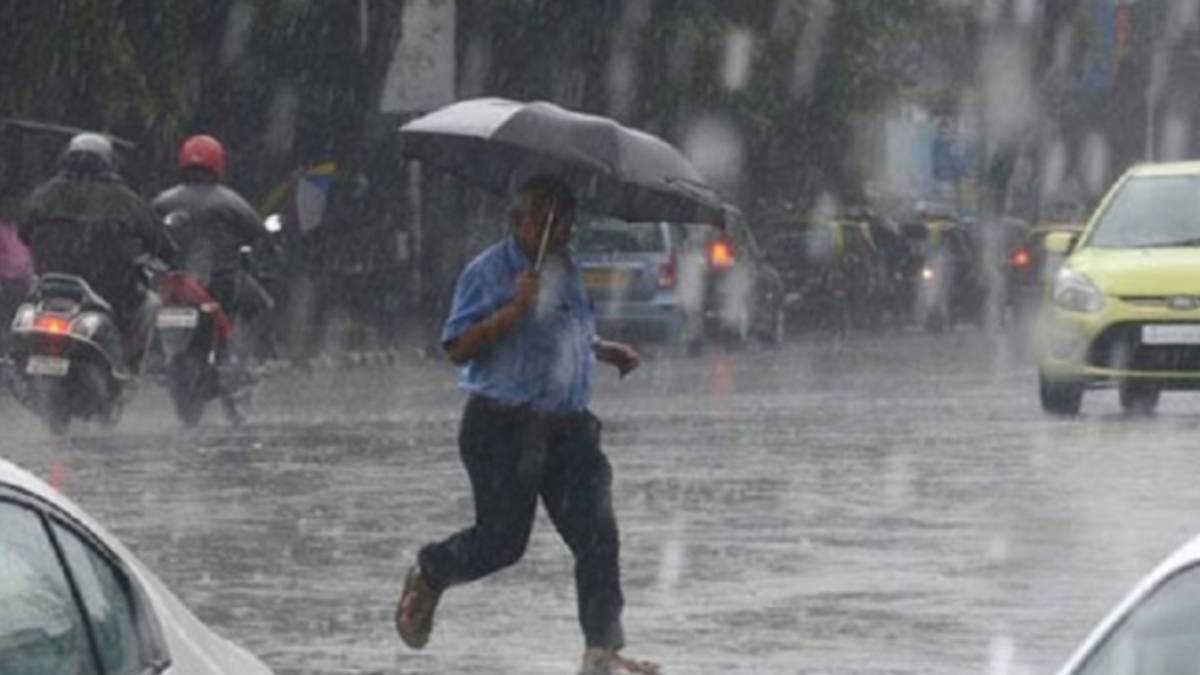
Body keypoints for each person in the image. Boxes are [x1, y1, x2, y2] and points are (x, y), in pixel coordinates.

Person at [395, 175, 659, 675]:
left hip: (569, 431)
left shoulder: (567, 268)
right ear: (518, 220)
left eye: (566, 219)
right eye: (544, 218)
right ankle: (432, 571)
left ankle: (601, 650)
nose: (558, 228)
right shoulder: (489, 272)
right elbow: (457, 348)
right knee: (502, 543)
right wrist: (513, 310)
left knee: (598, 535)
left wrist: (602, 350)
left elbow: (566, 330)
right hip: (503, 429)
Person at [19, 133, 173, 370]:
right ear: (108, 163)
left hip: (50, 286)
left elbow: (23, 232)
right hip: (109, 290)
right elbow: (157, 240)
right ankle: (126, 366)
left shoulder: (44, 194)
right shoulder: (125, 199)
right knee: (150, 303)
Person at [151, 134, 275, 360]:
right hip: (220, 280)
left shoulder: (162, 201)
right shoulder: (229, 201)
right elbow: (259, 234)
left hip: (172, 282)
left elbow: (148, 236)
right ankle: (256, 357)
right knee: (261, 305)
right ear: (218, 163)